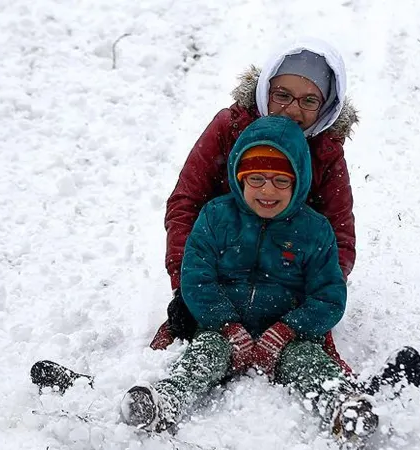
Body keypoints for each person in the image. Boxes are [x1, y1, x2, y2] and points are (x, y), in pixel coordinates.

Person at [121, 116, 378, 446]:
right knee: (205, 353)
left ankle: (343, 406)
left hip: (287, 335)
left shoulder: (315, 231)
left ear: (299, 182)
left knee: (309, 361)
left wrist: (288, 330)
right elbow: (197, 279)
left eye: (281, 181)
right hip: (222, 329)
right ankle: (165, 401)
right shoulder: (215, 217)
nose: (267, 190)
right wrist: (226, 325)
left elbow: (329, 295)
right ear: (239, 178)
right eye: (256, 178)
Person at [150, 38, 359, 377]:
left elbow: (339, 233)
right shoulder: (230, 128)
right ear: (266, 90)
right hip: (225, 263)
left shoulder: (326, 150)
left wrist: (312, 303)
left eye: (309, 100)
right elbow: (186, 202)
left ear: (326, 106)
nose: (293, 110)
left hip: (287, 276)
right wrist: (184, 284)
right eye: (282, 95)